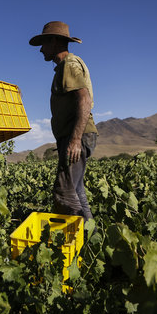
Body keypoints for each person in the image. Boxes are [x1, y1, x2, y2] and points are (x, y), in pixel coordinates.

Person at [29, 21, 98, 222]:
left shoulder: (69, 64)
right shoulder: (66, 66)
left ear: (54, 42)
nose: (41, 50)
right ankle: (87, 240)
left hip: (77, 135)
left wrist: (75, 140)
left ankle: (69, 245)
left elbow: (84, 99)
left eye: (44, 44)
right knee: (76, 191)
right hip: (78, 134)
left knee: (64, 192)